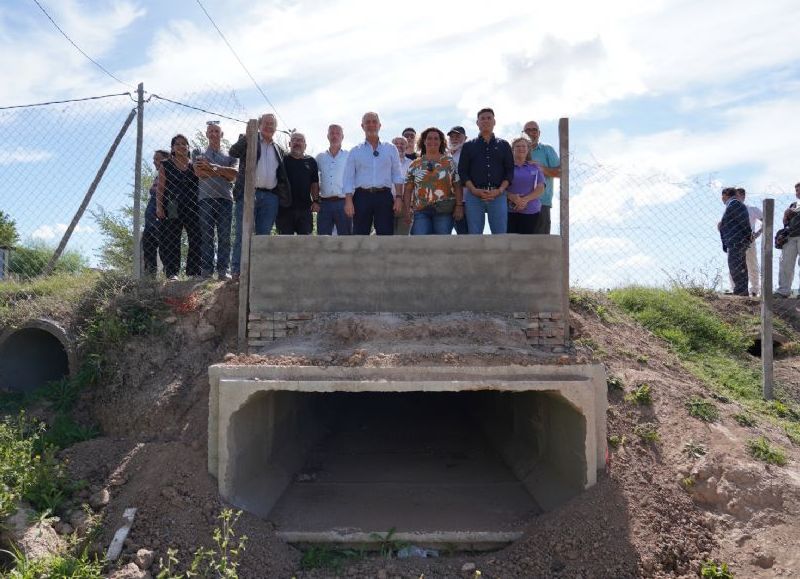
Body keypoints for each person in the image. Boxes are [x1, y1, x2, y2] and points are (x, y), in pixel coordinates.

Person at [229, 113, 291, 278]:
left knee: (263, 236)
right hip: (249, 194)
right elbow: (233, 152)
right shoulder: (250, 140)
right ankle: (236, 270)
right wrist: (249, 136)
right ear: (259, 124)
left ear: (276, 128)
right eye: (266, 123)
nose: (269, 126)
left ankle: (257, 272)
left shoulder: (279, 149)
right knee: (243, 233)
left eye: (272, 124)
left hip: (271, 197)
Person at [343, 112, 404, 235]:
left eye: (374, 122)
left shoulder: (390, 149)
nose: (371, 125)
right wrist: (348, 201)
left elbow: (397, 175)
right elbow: (348, 178)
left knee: (386, 235)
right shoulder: (355, 151)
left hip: (384, 197)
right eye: (367, 122)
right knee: (360, 236)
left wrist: (398, 198)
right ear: (362, 126)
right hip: (361, 197)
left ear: (380, 125)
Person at [193, 121, 238, 280]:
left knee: (225, 236)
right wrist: (221, 171)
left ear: (222, 134)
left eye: (216, 131)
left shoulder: (231, 155)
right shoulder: (198, 152)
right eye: (210, 131)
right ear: (206, 134)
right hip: (205, 198)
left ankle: (223, 271)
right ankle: (206, 271)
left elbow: (233, 175)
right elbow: (199, 173)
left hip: (226, 198)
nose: (213, 134)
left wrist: (210, 167)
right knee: (207, 236)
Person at [458, 107, 514, 234]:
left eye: (489, 118)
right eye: (482, 119)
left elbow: (509, 171)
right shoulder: (468, 146)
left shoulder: (504, 145)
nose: (486, 121)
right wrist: (473, 190)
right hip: (474, 195)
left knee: (500, 235)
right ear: (477, 123)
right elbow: (463, 171)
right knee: (474, 235)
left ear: (494, 122)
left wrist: (499, 190)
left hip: (498, 195)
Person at [156, 134, 201, 279]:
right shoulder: (166, 165)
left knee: (196, 237)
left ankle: (193, 272)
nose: (181, 146)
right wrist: (159, 207)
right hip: (172, 206)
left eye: (184, 144)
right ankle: (172, 273)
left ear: (188, 147)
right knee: (173, 238)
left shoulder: (193, 165)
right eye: (178, 144)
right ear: (172, 148)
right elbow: (160, 188)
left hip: (193, 206)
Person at [402, 127, 463, 235]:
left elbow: (457, 185)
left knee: (441, 244)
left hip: (444, 211)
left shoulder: (449, 162)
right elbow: (408, 189)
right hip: (421, 211)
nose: (433, 141)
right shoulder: (415, 164)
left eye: (436, 138)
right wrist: (406, 210)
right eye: (429, 138)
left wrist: (459, 206)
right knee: (420, 242)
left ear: (441, 142)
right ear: (424, 141)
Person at [523, 121, 561, 234]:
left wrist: (541, 169)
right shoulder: (515, 151)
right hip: (518, 205)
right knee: (519, 246)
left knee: (541, 245)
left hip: (542, 204)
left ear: (539, 133)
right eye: (527, 130)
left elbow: (560, 172)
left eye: (534, 130)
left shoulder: (547, 150)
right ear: (523, 134)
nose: (530, 133)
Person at [277, 132, 319, 235]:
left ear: (305, 145)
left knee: (305, 244)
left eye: (300, 140)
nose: (297, 142)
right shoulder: (282, 160)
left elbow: (314, 183)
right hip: (284, 209)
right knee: (285, 244)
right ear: (289, 144)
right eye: (294, 140)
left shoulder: (311, 161)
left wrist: (316, 201)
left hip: (305, 209)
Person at [316, 124, 351, 235]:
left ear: (342, 136)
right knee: (323, 238)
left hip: (343, 203)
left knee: (345, 238)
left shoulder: (349, 156)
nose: (334, 136)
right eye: (332, 133)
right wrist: (315, 200)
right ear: (328, 136)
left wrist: (350, 202)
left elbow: (353, 178)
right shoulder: (320, 157)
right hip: (324, 204)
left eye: (337, 133)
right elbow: (314, 180)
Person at [506, 137, 545, 234]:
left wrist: (524, 200)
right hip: (509, 211)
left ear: (528, 150)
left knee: (528, 244)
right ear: (512, 150)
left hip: (531, 211)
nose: (521, 148)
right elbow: (500, 188)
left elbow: (541, 187)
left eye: (524, 146)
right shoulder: (506, 168)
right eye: (517, 146)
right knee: (510, 243)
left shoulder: (535, 167)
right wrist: (512, 197)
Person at [719, 187, 752, 296]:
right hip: (735, 240)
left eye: (722, 195)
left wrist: (747, 237)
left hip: (736, 240)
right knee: (736, 265)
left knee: (736, 265)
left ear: (726, 195)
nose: (721, 198)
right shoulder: (734, 204)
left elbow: (744, 223)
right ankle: (740, 290)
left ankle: (741, 291)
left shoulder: (734, 204)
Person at [142, 149, 170, 277]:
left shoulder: (170, 174)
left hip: (161, 215)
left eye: (157, 158)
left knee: (164, 242)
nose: (154, 161)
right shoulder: (158, 176)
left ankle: (168, 273)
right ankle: (150, 274)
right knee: (148, 243)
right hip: (150, 218)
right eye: (154, 159)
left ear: (166, 159)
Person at [734, 188, 763, 296]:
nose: (734, 198)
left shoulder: (751, 209)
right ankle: (735, 289)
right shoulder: (730, 210)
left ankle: (755, 290)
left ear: (743, 196)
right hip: (734, 241)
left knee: (751, 264)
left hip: (749, 240)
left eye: (736, 195)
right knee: (734, 265)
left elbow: (766, 220)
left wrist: (757, 234)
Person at [775, 183, 800, 298]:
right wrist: (785, 216)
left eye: (799, 190)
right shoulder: (793, 205)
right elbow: (786, 223)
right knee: (785, 264)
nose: (798, 193)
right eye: (796, 190)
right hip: (791, 236)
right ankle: (783, 291)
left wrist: (794, 212)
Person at [447, 126, 469, 234]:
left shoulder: (468, 153)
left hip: (465, 201)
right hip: (447, 201)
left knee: (465, 234)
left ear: (465, 138)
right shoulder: (445, 155)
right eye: (452, 136)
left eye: (458, 136)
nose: (454, 139)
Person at [392, 136, 413, 235]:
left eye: (402, 143)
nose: (399, 145)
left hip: (406, 205)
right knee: (386, 237)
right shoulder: (385, 162)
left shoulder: (412, 164)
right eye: (396, 143)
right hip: (387, 204)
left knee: (402, 238)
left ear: (407, 146)